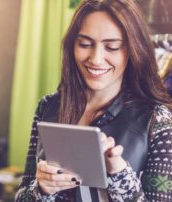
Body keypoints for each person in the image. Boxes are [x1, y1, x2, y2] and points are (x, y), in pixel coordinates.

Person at [15, 0, 172, 201]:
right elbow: (22, 195)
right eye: (85, 44)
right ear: (72, 46)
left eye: (112, 47)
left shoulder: (158, 120)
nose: (96, 59)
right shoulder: (49, 107)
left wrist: (119, 176)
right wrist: (41, 189)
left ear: (133, 50)